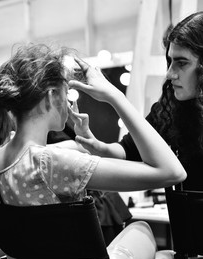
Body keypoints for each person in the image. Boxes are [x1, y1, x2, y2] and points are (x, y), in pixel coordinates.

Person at [0, 43, 186, 259]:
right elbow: (172, 172)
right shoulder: (51, 163)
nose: (68, 103)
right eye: (66, 93)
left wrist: (89, 143)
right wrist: (115, 96)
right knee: (145, 232)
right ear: (51, 96)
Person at [72, 12, 203, 192]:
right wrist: (96, 145)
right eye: (170, 61)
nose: (170, 73)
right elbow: (127, 151)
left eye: (182, 63)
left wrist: (115, 97)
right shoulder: (167, 112)